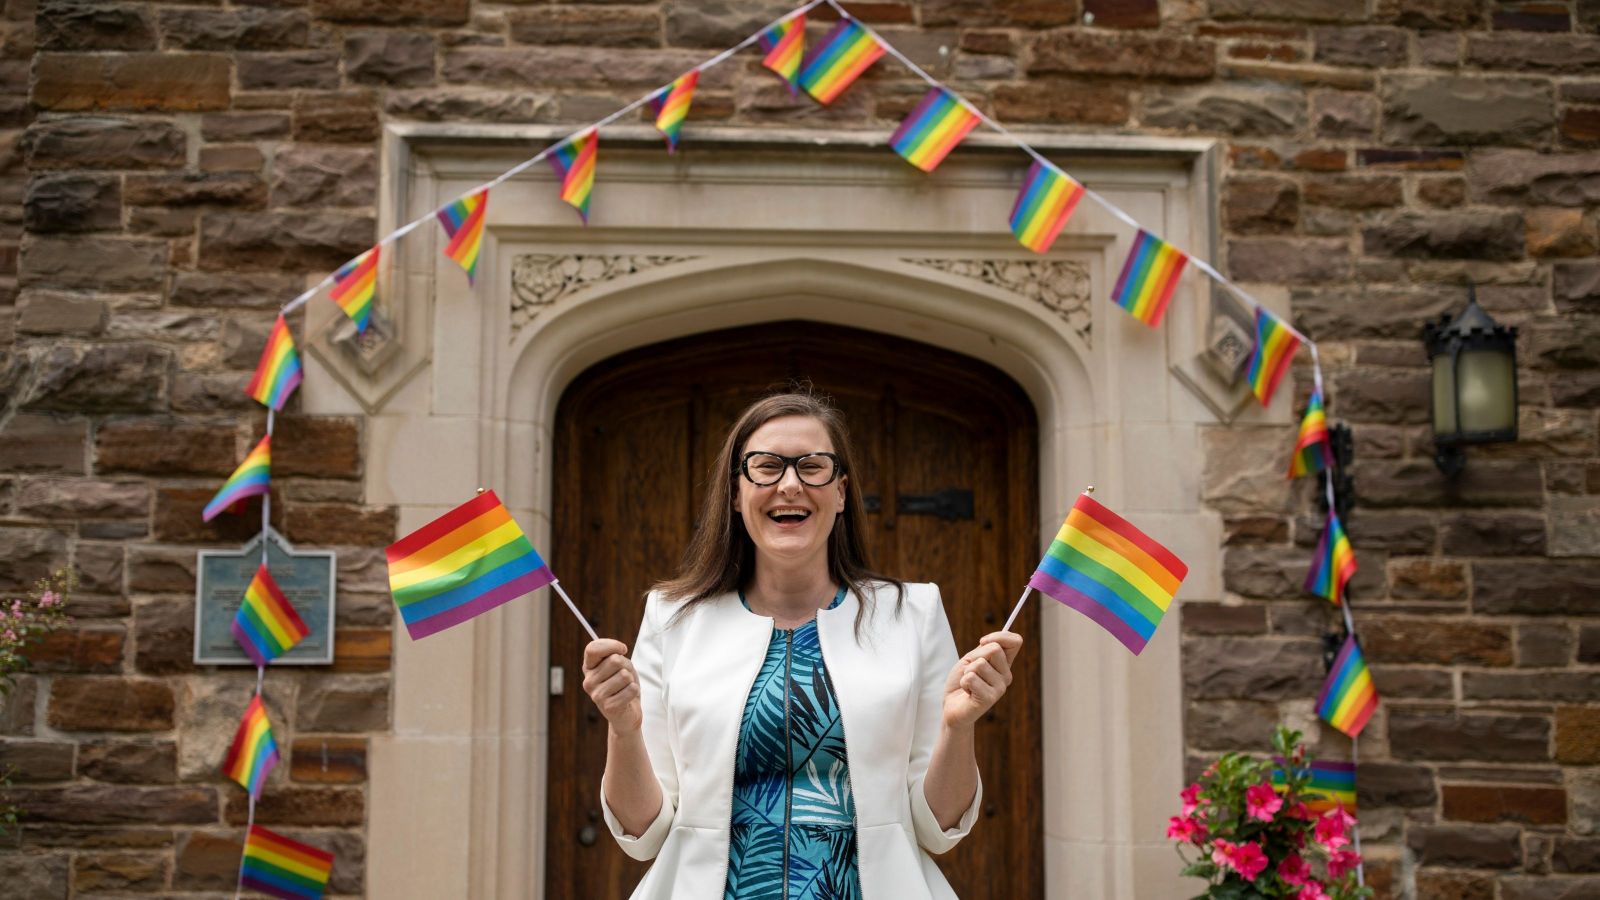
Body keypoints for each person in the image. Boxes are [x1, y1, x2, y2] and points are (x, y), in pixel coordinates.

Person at [581, 391, 1023, 900]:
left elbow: (940, 829)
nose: (789, 484)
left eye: (813, 466)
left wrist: (958, 726)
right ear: (734, 491)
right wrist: (623, 729)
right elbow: (643, 835)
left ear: (840, 491)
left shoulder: (913, 614)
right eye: (766, 467)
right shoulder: (672, 618)